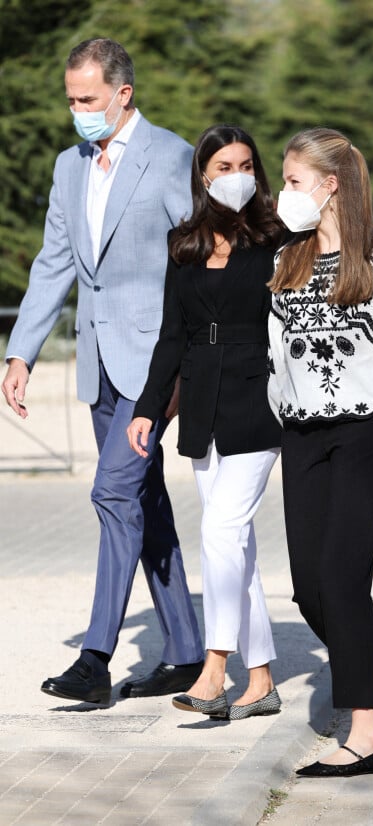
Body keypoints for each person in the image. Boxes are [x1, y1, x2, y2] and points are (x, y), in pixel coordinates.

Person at [1, 38, 205, 705]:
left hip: (155, 366)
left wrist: (195, 360)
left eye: (87, 100)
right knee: (144, 502)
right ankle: (185, 650)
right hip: (97, 363)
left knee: (113, 495)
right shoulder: (69, 167)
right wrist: (21, 351)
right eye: (70, 100)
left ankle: (94, 660)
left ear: (123, 93)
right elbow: (54, 263)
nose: (76, 112)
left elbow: (203, 257)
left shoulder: (172, 156)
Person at [267, 127, 373, 776]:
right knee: (310, 589)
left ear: (329, 185)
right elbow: (271, 356)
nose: (284, 193)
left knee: (344, 578)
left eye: (292, 181)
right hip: (301, 436)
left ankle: (366, 733)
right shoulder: (285, 262)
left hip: (367, 434)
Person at [127, 124, 285, 720]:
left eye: (246, 164)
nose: (237, 174)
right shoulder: (183, 243)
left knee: (220, 533)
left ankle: (216, 667)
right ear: (203, 175)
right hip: (201, 403)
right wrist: (148, 409)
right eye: (224, 165)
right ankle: (263, 678)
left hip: (257, 400)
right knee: (233, 547)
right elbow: (172, 335)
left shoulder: (276, 238)